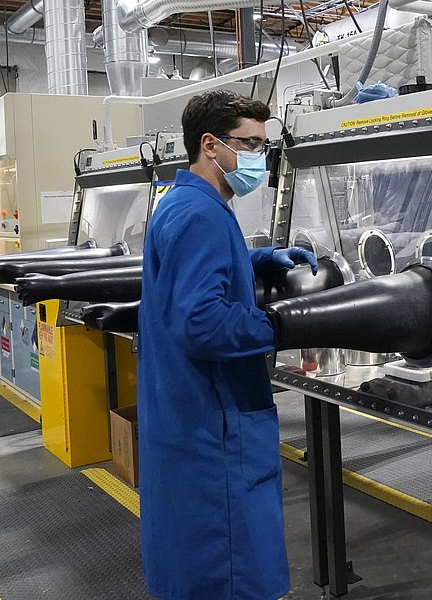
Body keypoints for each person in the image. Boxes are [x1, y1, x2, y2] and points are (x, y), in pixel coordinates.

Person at [137, 90, 317, 600]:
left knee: (191, 562)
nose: (260, 158)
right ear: (210, 145)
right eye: (251, 144)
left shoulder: (185, 202)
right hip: (215, 428)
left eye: (265, 147)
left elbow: (193, 276)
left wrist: (256, 260)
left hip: (184, 414)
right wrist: (283, 325)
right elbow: (202, 322)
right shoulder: (202, 216)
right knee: (232, 570)